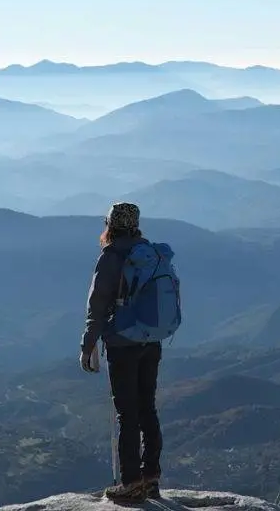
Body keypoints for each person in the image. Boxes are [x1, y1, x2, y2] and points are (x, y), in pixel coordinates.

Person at [80, 201, 164, 503]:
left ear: (110, 226)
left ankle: (130, 482)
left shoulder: (112, 257)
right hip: (151, 341)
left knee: (127, 414)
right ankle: (151, 476)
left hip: (121, 345)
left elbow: (98, 306)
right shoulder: (150, 253)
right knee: (147, 408)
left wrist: (88, 346)